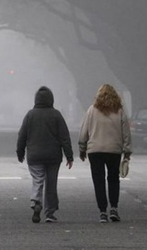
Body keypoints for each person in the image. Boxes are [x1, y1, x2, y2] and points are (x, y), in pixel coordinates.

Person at [16, 86, 74, 223]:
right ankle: (50, 212)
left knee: (38, 180)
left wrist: (20, 152)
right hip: (53, 156)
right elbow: (64, 137)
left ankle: (36, 202)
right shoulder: (56, 115)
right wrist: (69, 156)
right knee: (51, 184)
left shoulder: (30, 115)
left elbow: (22, 135)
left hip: (35, 155)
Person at [78, 84, 132, 223]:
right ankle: (113, 208)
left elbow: (84, 131)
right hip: (114, 150)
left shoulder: (91, 110)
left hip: (95, 151)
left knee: (99, 181)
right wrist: (127, 151)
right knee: (113, 179)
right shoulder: (119, 111)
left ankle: (103, 211)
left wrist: (82, 148)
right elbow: (126, 133)